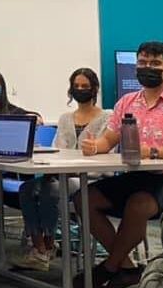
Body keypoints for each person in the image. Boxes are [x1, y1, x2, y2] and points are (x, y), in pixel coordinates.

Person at [77, 41, 163, 288]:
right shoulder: (127, 102)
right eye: (143, 63)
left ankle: (109, 267)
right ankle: (126, 267)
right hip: (137, 176)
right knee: (84, 199)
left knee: (139, 202)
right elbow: (108, 139)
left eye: (155, 63)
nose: (148, 67)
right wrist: (95, 146)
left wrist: (154, 152)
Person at [11, 68, 111, 271]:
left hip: (92, 179)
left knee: (51, 190)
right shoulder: (65, 118)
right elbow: (58, 150)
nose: (80, 90)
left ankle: (48, 245)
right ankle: (39, 246)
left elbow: (108, 151)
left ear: (94, 89)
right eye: (76, 86)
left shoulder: (107, 117)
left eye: (85, 86)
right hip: (62, 175)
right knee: (26, 189)